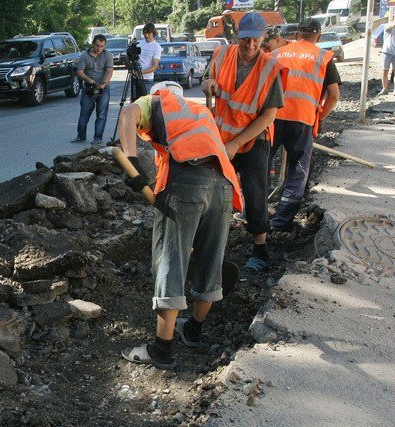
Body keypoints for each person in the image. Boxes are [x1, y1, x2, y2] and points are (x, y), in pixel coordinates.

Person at [118, 81, 243, 370]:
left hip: (186, 186)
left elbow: (127, 113)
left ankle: (161, 350)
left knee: (170, 262)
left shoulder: (157, 101)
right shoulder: (199, 111)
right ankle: (193, 331)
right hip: (223, 187)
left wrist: (132, 161)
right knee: (211, 261)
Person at [201, 12, 286, 273]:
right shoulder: (222, 55)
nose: (250, 46)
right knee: (214, 189)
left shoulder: (270, 67)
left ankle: (260, 247)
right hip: (222, 136)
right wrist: (208, 83)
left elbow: (269, 115)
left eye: (255, 41)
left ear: (263, 38)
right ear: (237, 36)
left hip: (253, 138)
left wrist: (237, 143)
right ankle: (206, 242)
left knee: (255, 192)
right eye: (246, 40)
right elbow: (205, 81)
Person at [268, 18, 340, 232]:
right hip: (302, 120)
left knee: (261, 164)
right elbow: (334, 96)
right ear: (318, 37)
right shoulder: (323, 57)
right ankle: (281, 221)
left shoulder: (276, 54)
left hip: (271, 117)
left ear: (297, 35)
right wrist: (319, 116)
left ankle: (254, 215)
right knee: (298, 170)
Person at [73, 34, 114, 145]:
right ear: (93, 44)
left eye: (102, 46)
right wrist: (91, 81)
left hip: (103, 88)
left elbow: (109, 71)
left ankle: (98, 137)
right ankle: (81, 136)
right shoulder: (84, 56)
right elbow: (80, 72)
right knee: (84, 114)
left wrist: (103, 84)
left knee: (101, 114)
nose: (99, 49)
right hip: (88, 87)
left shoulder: (108, 55)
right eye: (97, 46)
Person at [137, 23, 163, 95]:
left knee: (146, 102)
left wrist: (140, 72)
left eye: (148, 33)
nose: (146, 35)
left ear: (153, 33)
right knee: (135, 102)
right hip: (136, 79)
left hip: (147, 79)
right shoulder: (139, 44)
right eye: (145, 33)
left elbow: (154, 66)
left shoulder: (156, 47)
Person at [380, 21, 395, 96]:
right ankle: (384, 89)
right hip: (387, 51)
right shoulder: (389, 25)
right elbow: (389, 27)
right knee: (384, 70)